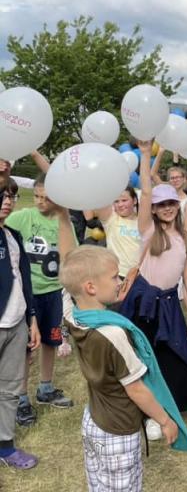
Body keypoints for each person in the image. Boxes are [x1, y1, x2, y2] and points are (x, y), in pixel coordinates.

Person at [57, 210, 187, 491]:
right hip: (119, 432)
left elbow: (67, 263)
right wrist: (165, 421)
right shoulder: (114, 334)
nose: (120, 282)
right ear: (90, 287)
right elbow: (137, 389)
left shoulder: (73, 315)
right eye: (115, 277)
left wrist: (61, 217)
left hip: (93, 420)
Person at [121, 140, 187, 435]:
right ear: (152, 209)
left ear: (177, 206)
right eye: (161, 204)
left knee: (182, 354)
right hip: (143, 303)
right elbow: (144, 187)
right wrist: (144, 154)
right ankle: (155, 413)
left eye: (171, 203)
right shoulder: (148, 230)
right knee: (147, 357)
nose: (166, 208)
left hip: (169, 304)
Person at [5, 174, 73, 427]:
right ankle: (20, 398)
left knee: (50, 341)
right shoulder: (23, 218)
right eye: (37, 196)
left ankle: (45, 388)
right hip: (25, 295)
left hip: (53, 292)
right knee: (24, 347)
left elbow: (69, 254)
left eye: (47, 198)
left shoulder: (63, 222)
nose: (41, 202)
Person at [0, 179, 41, 469]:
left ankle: (5, 446)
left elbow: (24, 281)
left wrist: (33, 320)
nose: (8, 200)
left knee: (10, 388)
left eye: (12, 195)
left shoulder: (12, 234)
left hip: (17, 324)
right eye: (2, 195)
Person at [87, 187, 141, 280]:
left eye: (124, 200)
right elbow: (100, 196)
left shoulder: (144, 221)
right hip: (118, 275)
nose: (120, 204)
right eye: (116, 201)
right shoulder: (111, 220)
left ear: (135, 200)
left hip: (141, 275)